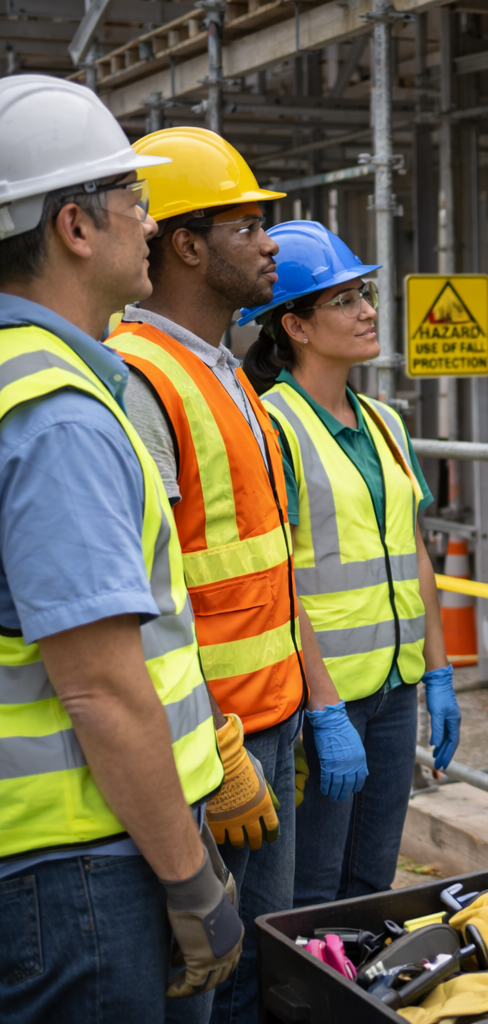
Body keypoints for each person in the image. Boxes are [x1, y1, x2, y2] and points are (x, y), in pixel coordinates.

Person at [0, 76, 243, 1023]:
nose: (149, 224)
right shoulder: (56, 412)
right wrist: (191, 882)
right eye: (135, 202)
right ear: (74, 226)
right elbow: (98, 686)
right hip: (81, 864)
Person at [105, 129, 345, 1024]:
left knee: (259, 970)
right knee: (208, 984)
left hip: (266, 721)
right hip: (208, 751)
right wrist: (217, 742)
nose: (269, 242)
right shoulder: (143, 377)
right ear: (188, 245)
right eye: (248, 225)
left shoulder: (226, 373)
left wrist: (311, 703)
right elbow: (144, 597)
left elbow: (262, 569)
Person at [238, 220, 461, 905]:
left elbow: (413, 547)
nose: (368, 310)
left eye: (364, 294)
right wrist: (326, 709)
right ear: (296, 327)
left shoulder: (385, 421)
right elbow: (277, 576)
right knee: (312, 890)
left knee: (372, 879)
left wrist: (441, 668)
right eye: (344, 300)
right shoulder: (272, 424)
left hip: (394, 691)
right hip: (320, 702)